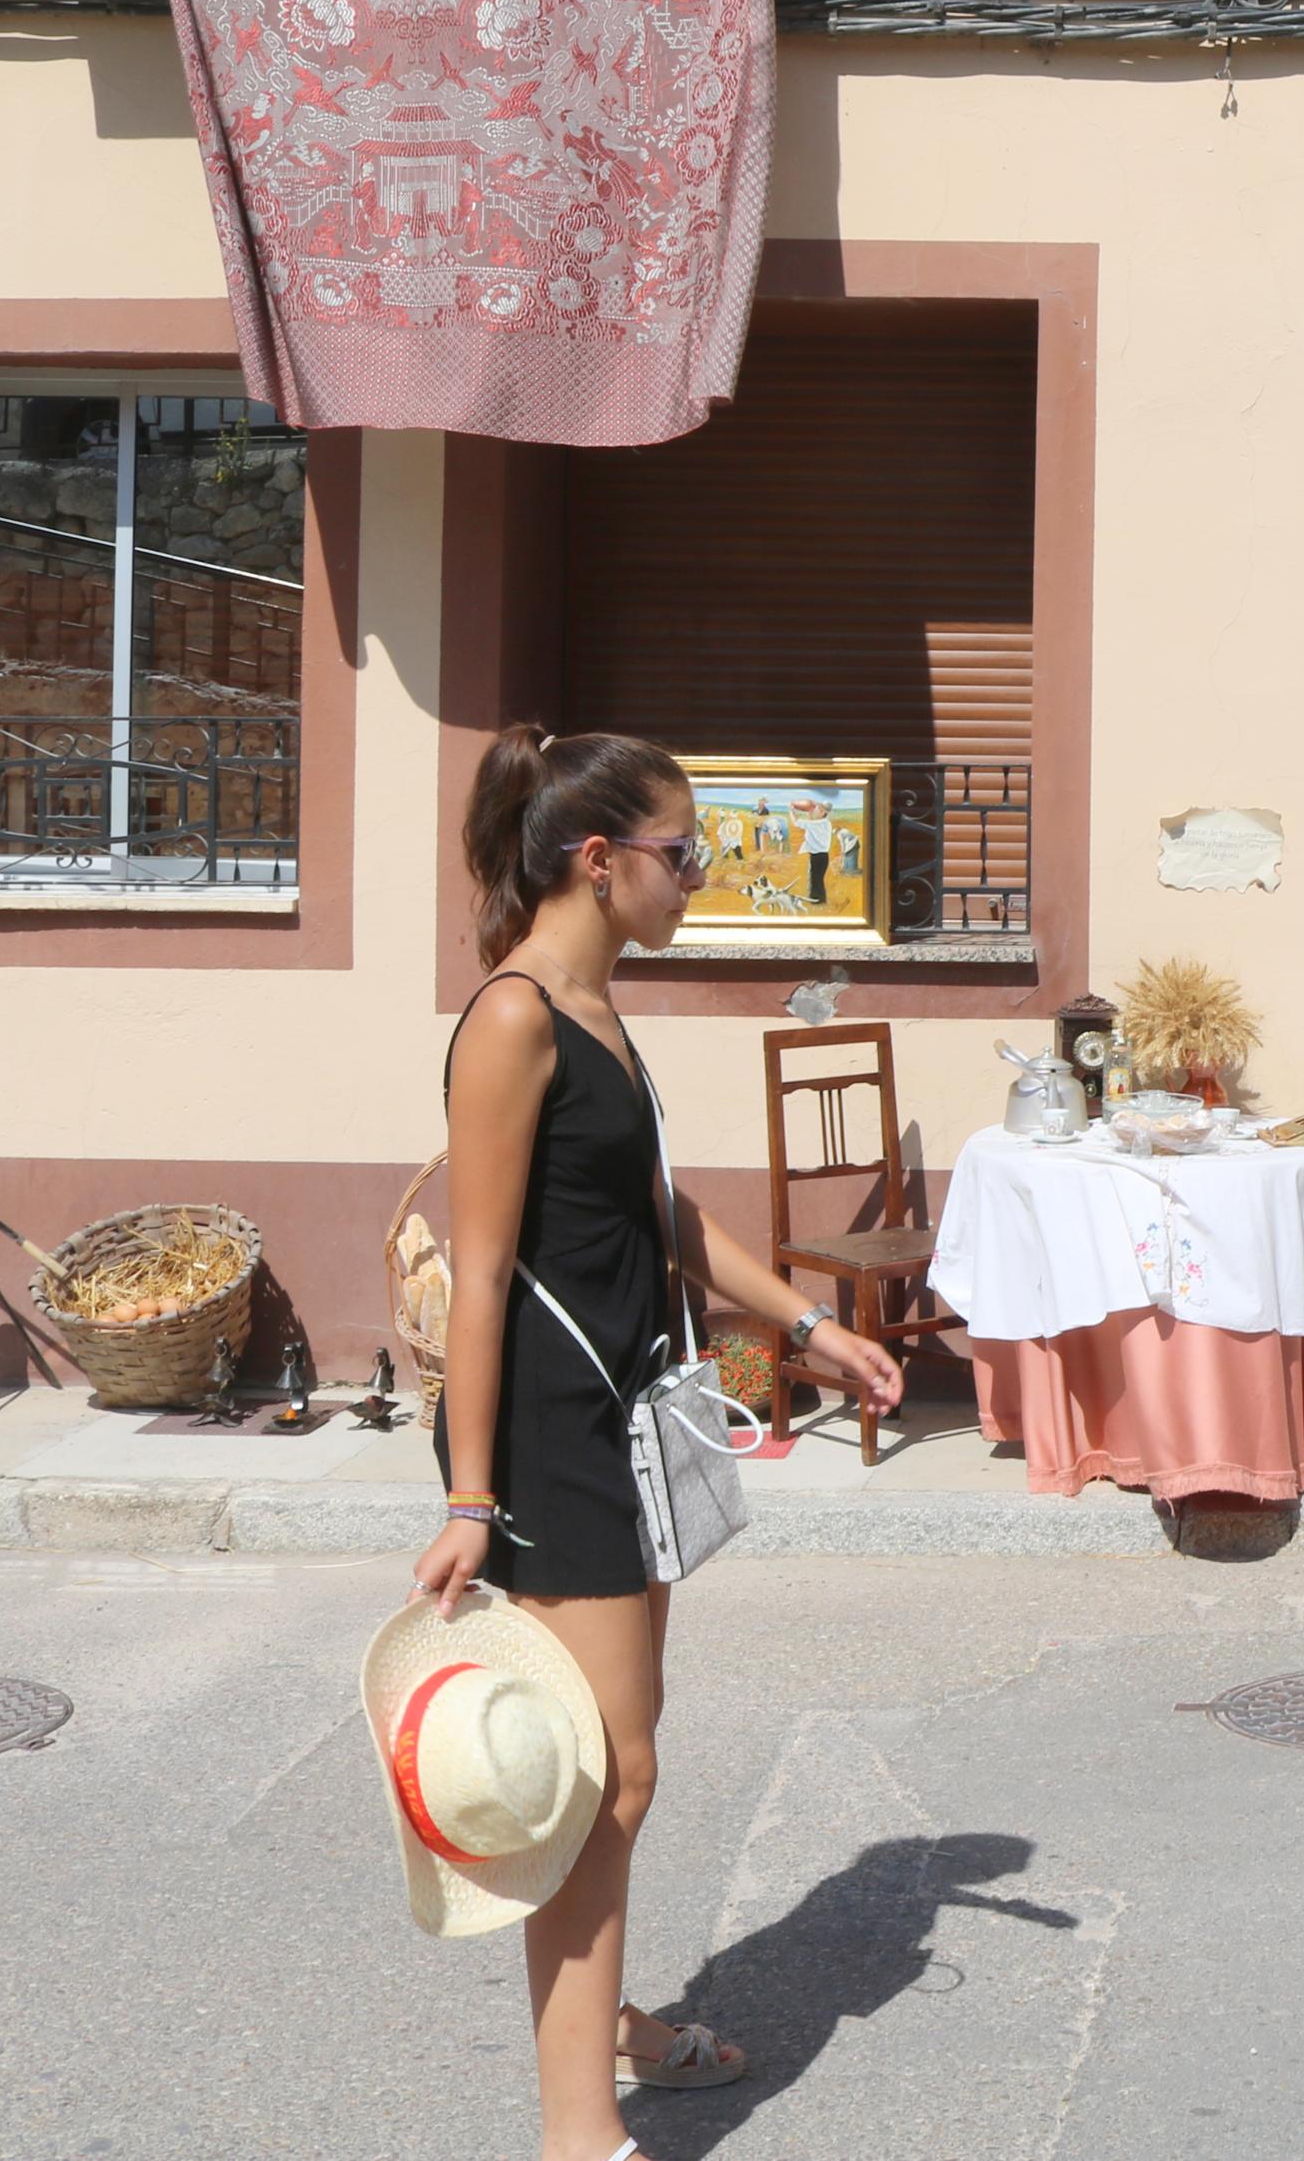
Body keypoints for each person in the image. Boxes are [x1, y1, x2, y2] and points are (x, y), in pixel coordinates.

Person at [414, 726, 906, 2161]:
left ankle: (610, 2017)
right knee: (597, 1779)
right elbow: (485, 1269)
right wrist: (467, 1492)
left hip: (636, 1421)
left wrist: (808, 1330)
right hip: (555, 1447)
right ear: (597, 857)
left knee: (628, 1761)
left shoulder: (600, 1008)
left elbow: (666, 1222)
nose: (700, 879)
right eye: (684, 854)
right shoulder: (513, 1020)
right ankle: (585, 2133)